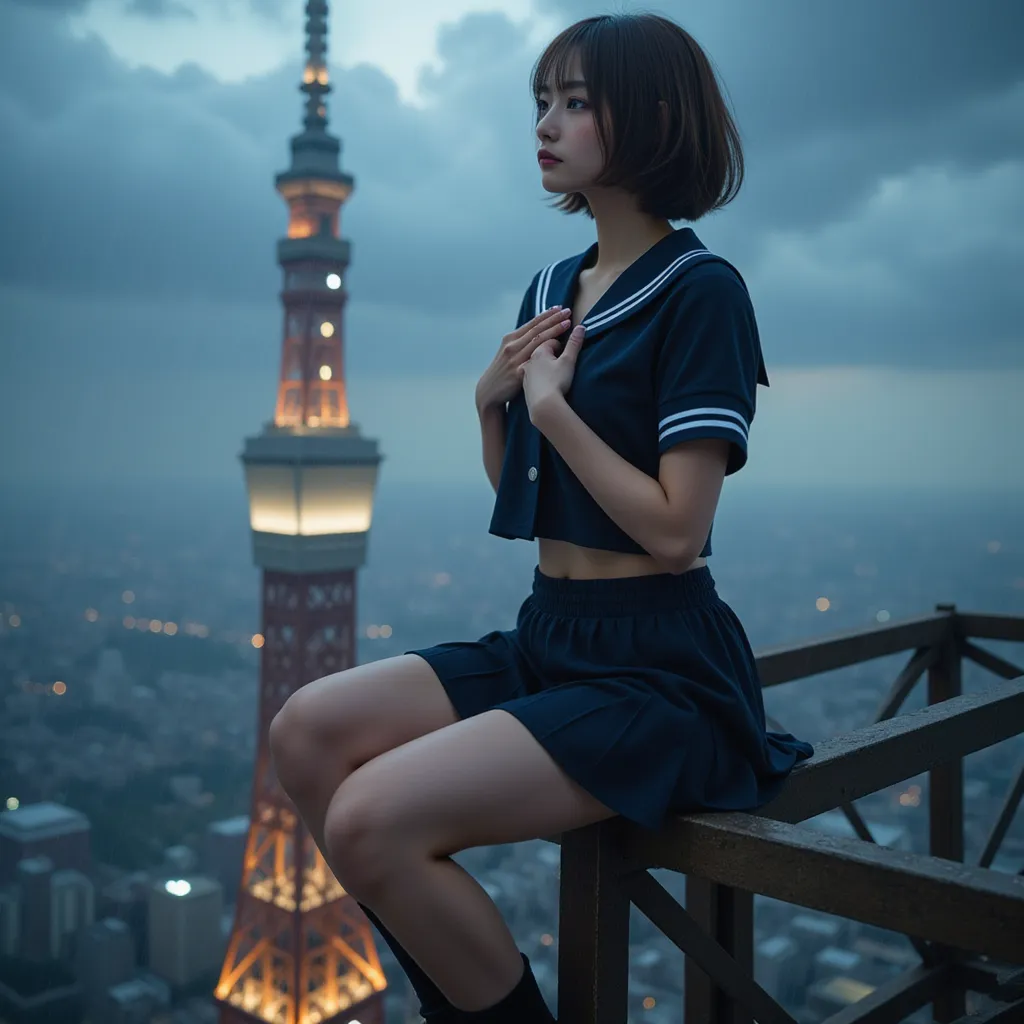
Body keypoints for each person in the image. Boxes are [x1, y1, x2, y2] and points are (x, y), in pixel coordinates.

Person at [268, 11, 814, 1023]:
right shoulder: (552, 286)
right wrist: (493, 406)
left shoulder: (702, 293)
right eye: (541, 102)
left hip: (657, 669)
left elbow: (673, 529)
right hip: (548, 632)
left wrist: (551, 406)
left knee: (373, 818)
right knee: (305, 733)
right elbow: (529, 495)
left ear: (650, 117)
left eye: (575, 102)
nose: (547, 124)